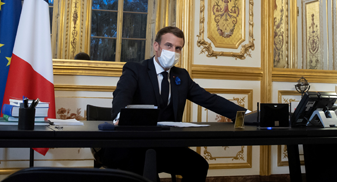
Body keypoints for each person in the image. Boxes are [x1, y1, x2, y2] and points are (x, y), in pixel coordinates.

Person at [99, 26, 247, 181]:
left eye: (178, 48)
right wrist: (120, 117)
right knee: (148, 177)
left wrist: (246, 115)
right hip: (134, 146)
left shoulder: (181, 76)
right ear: (156, 46)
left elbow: (210, 99)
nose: (173, 52)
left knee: (198, 166)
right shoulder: (136, 69)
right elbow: (122, 94)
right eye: (168, 45)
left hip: (165, 146)